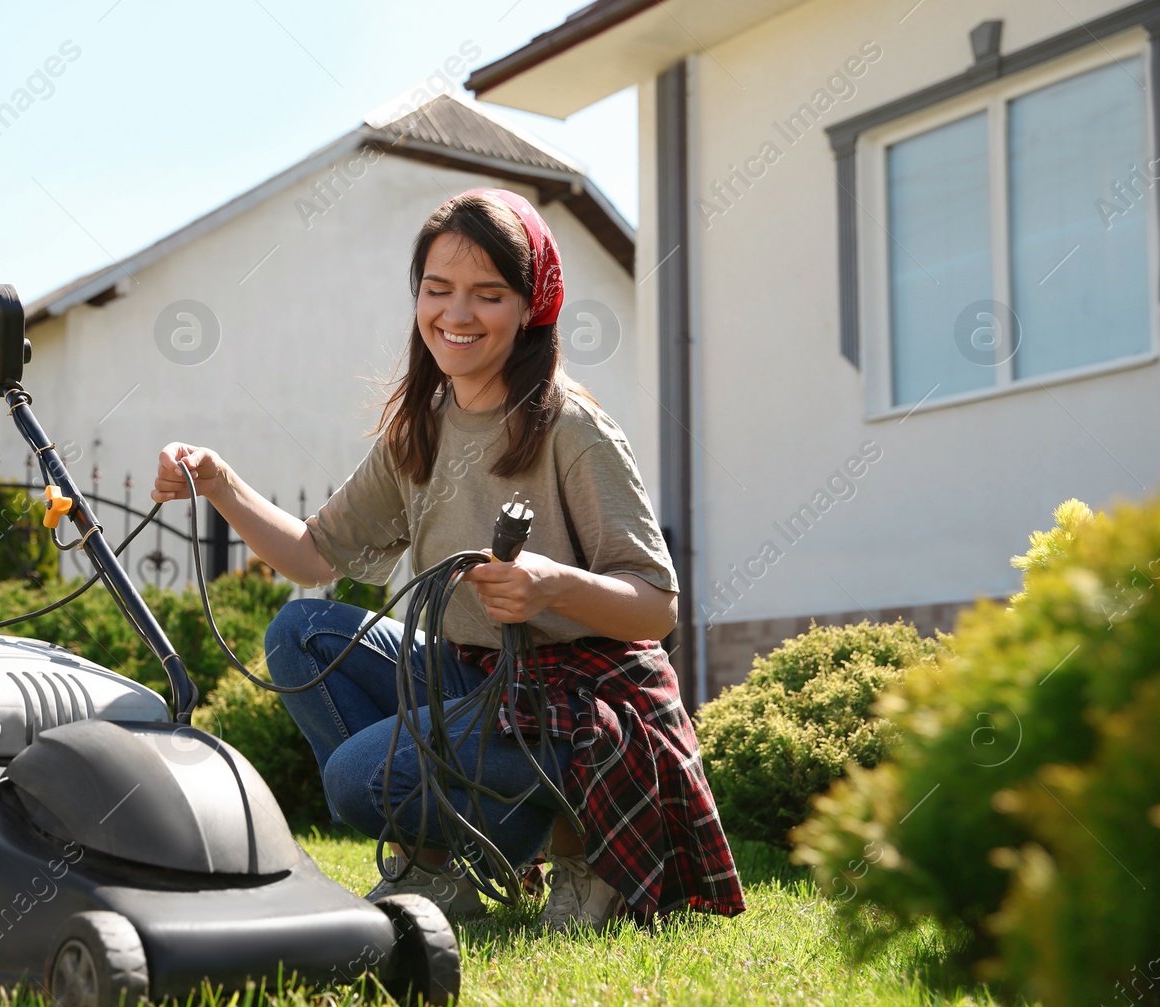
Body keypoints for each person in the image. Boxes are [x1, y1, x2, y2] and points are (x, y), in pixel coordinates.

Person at [152, 188, 744, 930]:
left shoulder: (570, 428)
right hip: (480, 676)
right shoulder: (419, 433)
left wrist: (548, 584)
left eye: (487, 294)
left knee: (356, 777)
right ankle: (436, 874)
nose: (456, 315)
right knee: (299, 635)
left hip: (584, 702)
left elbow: (657, 603)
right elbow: (311, 556)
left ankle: (580, 850)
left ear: (531, 308)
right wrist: (220, 482)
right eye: (438, 290)